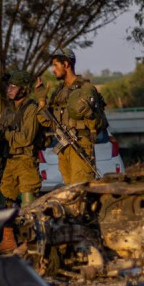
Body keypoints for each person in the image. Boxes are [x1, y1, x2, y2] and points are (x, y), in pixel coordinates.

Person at [39, 47, 103, 185]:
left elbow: (93, 119)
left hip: (80, 144)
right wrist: (41, 101)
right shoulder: (58, 92)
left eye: (55, 65)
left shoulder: (85, 89)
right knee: (69, 191)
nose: (53, 69)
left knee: (81, 188)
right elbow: (47, 121)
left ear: (66, 65)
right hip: (64, 147)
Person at [0, 69, 42, 206]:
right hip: (9, 161)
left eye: (14, 86)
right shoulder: (8, 110)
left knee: (29, 206)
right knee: (3, 205)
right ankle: (9, 228)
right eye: (9, 86)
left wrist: (5, 133)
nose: (9, 89)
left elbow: (26, 138)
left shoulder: (32, 109)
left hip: (26, 162)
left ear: (24, 89)